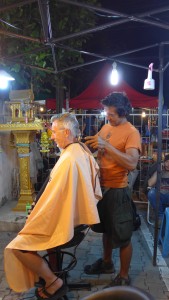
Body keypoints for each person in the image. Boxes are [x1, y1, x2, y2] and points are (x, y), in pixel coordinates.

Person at [4, 113, 102, 299]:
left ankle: (52, 281)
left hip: (65, 222)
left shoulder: (69, 159)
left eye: (54, 132)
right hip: (75, 221)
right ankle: (43, 275)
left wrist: (35, 217)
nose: (52, 136)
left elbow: (53, 204)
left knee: (17, 246)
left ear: (66, 132)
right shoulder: (80, 150)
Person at [83, 92, 141, 286]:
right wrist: (79, 148)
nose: (108, 117)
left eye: (112, 114)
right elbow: (95, 145)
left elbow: (132, 163)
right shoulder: (107, 126)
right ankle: (107, 263)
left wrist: (106, 146)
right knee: (107, 229)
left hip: (118, 190)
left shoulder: (131, 132)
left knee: (123, 235)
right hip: (102, 187)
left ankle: (124, 276)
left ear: (123, 112)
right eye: (106, 113)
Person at [148, 154, 169, 219]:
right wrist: (158, 171)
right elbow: (150, 184)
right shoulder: (159, 171)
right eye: (167, 161)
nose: (168, 164)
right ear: (164, 162)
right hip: (160, 195)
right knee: (151, 193)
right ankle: (161, 217)